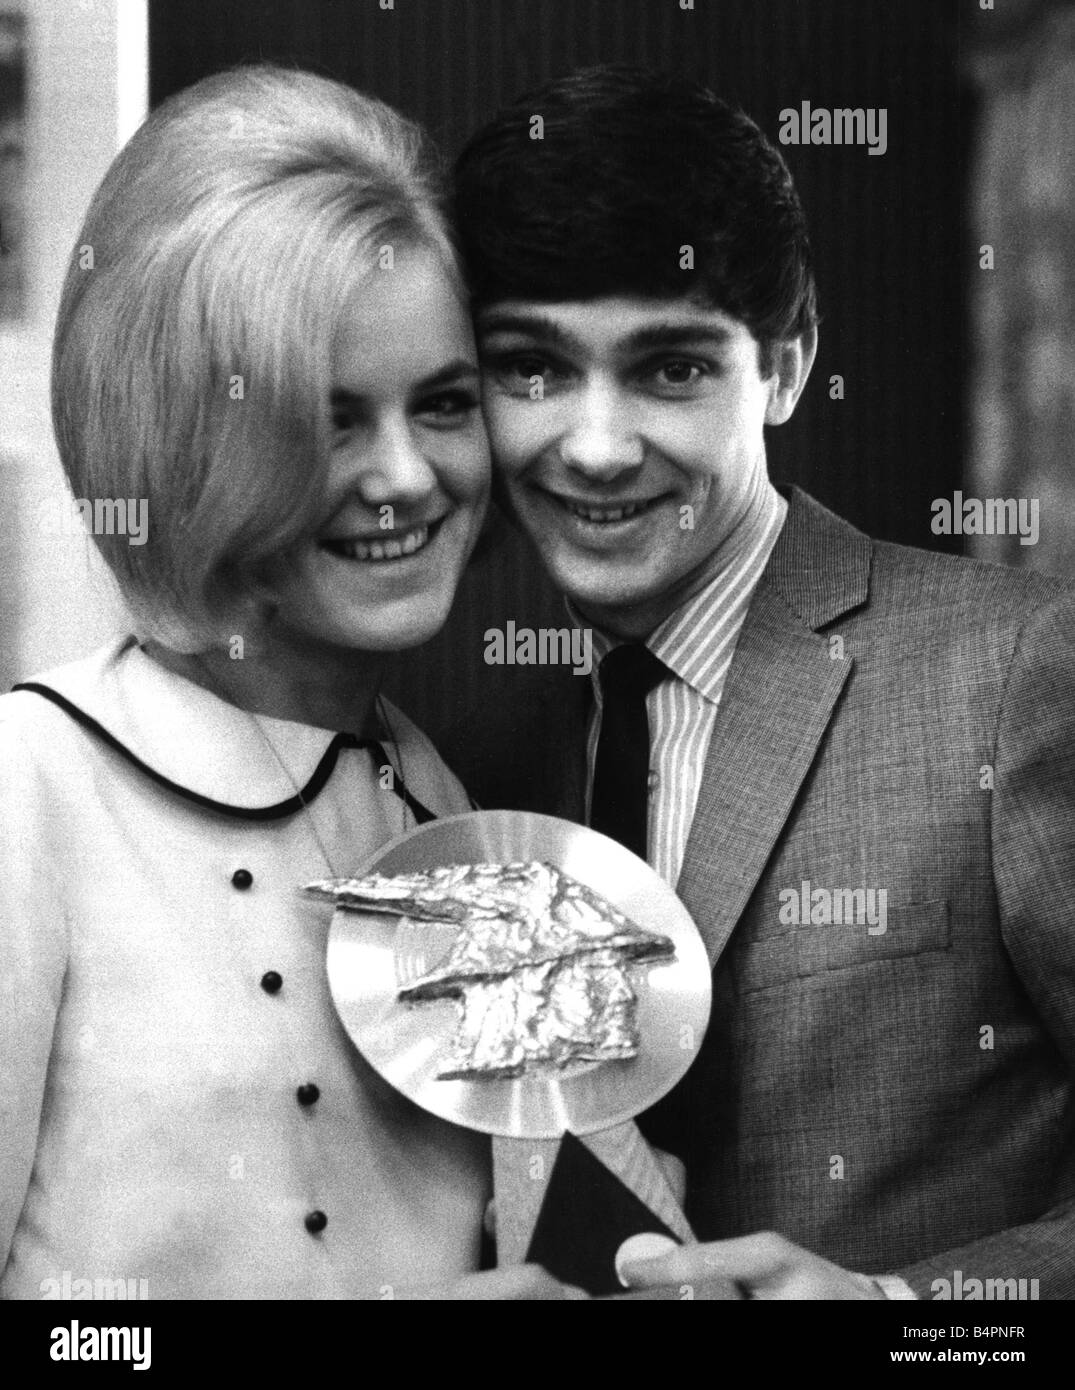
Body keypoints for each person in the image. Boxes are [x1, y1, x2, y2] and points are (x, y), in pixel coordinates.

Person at [450, 65, 1075, 1298]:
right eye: (531, 368)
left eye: (671, 369)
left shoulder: (1017, 670)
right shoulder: (483, 761)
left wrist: (907, 1316)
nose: (595, 444)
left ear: (784, 368)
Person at [0, 64, 576, 1301]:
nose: (408, 477)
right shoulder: (27, 788)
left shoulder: (439, 801)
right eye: (329, 424)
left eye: (442, 404)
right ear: (191, 441)